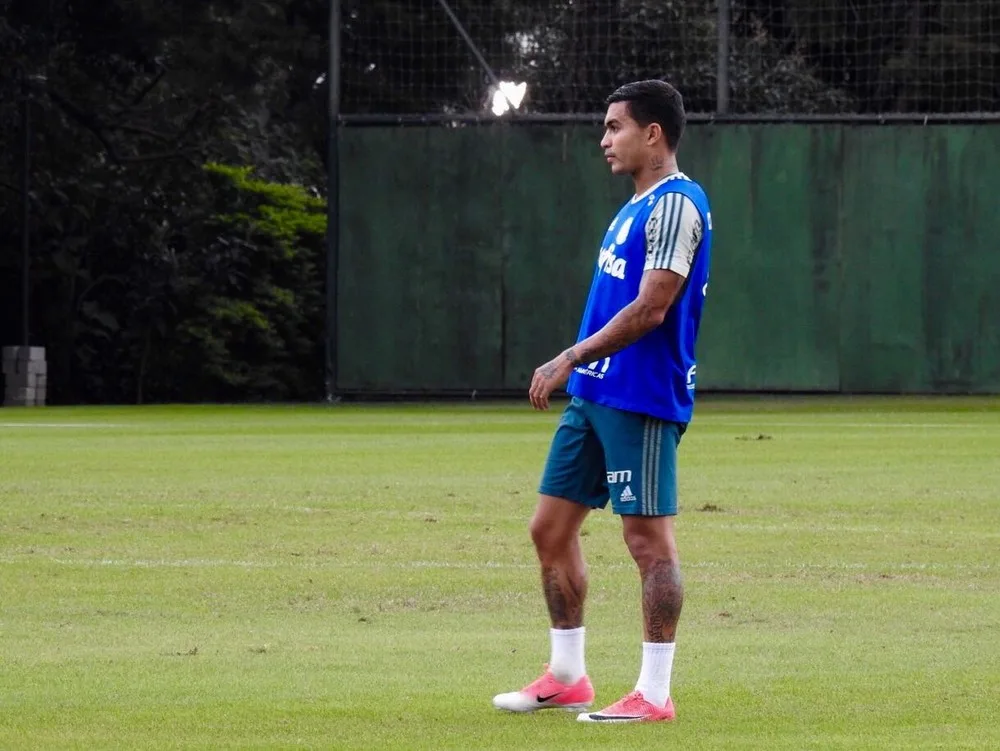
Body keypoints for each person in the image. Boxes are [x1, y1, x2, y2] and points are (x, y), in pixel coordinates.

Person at [492, 80, 713, 724]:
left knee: (648, 543)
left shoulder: (677, 204)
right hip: (594, 395)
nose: (604, 138)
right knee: (550, 528)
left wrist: (568, 357)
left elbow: (652, 308)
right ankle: (566, 676)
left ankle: (654, 693)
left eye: (615, 126)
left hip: (639, 397)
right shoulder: (631, 207)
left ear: (653, 134)